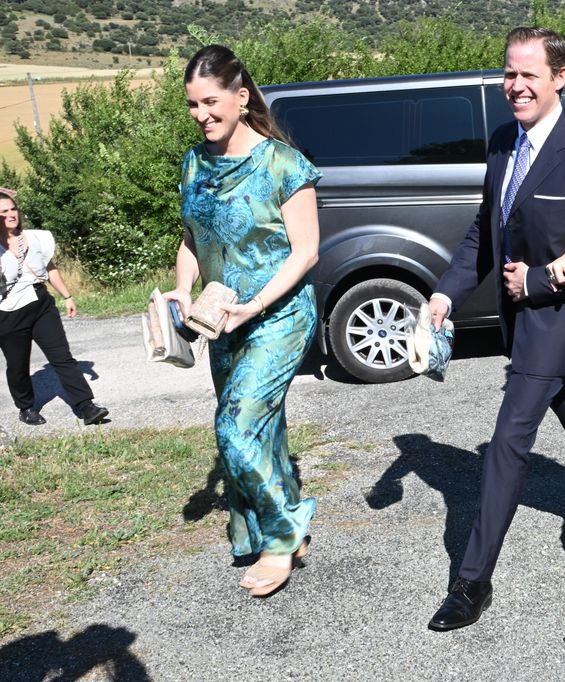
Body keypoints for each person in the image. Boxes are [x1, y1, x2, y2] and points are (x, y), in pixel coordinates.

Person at [425, 26, 565, 632]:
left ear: (559, 79)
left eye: (529, 75)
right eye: (510, 74)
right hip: (520, 325)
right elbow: (482, 234)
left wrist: (540, 282)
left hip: (562, 322)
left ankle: (471, 582)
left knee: (509, 440)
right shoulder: (502, 143)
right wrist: (445, 295)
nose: (516, 86)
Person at [166, 45, 322, 598]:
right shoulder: (194, 163)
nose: (202, 114)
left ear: (241, 96)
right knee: (263, 429)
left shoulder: (282, 163)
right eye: (192, 105)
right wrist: (183, 291)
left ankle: (284, 531)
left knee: (234, 427)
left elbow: (306, 252)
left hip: (278, 316)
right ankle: (276, 531)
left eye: (211, 102)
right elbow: (193, 238)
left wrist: (252, 308)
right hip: (219, 320)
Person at [0, 190, 108, 426]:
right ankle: (26, 407)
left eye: (12, 209)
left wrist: (67, 296)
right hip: (8, 312)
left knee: (62, 357)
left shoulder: (35, 238)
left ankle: (86, 407)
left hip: (41, 305)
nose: (10, 214)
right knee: (18, 365)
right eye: (3, 212)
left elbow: (50, 268)